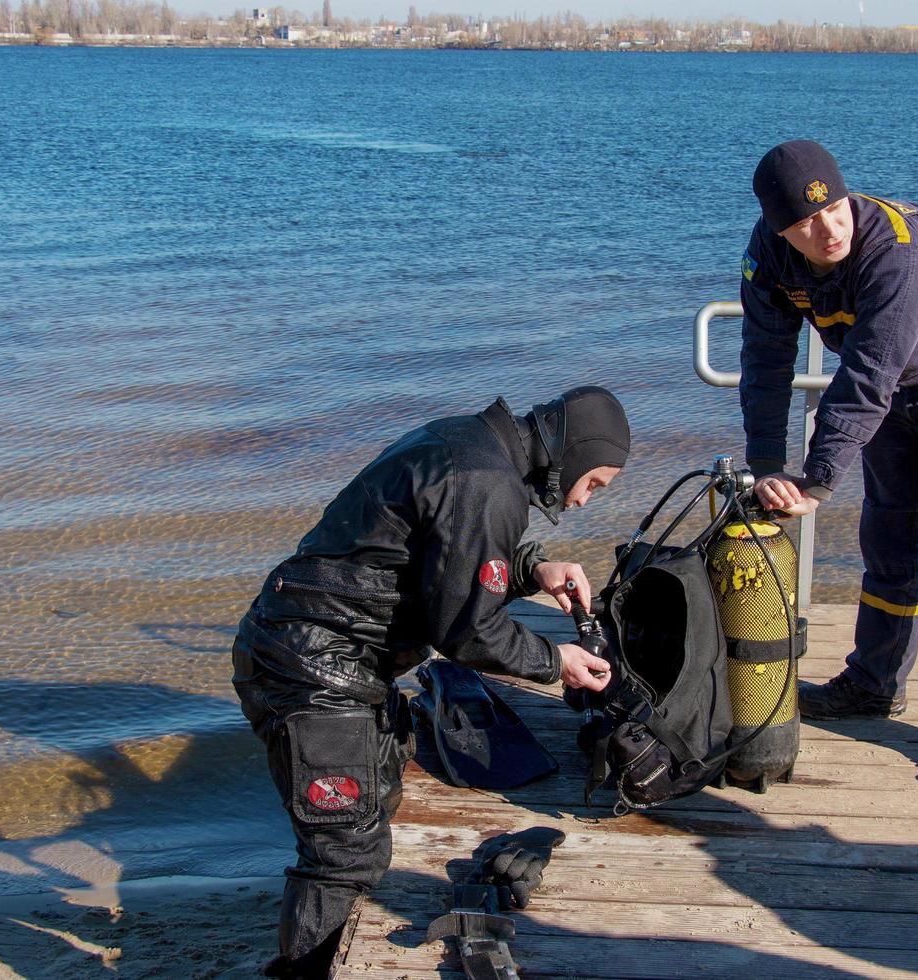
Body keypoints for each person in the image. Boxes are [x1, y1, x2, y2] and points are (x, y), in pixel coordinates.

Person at [232, 386, 630, 978]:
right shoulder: (488, 483)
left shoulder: (470, 441)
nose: (581, 501)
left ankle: (312, 952)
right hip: (312, 667)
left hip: (317, 649)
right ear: (573, 452)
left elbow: (432, 559)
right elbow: (468, 632)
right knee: (345, 853)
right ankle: (299, 970)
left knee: (376, 802)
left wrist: (530, 568)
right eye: (592, 483)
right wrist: (556, 660)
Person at [736, 139, 918, 791]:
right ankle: (873, 685)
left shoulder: (893, 254)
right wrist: (766, 463)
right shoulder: (766, 257)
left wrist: (816, 479)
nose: (829, 228)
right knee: (891, 534)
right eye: (807, 223)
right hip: (898, 380)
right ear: (778, 227)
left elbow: (866, 377)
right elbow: (765, 360)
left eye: (836, 208)